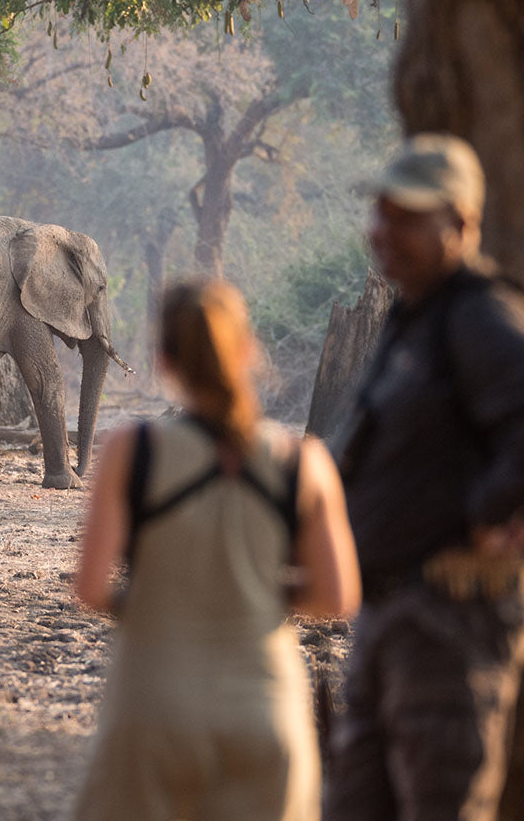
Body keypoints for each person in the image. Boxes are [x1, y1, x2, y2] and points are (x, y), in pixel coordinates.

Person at [325, 134, 524, 821]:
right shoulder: (418, 315)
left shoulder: (479, 313)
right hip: (390, 609)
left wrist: (488, 512)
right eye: (381, 214)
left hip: (448, 617)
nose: (383, 233)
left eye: (407, 218)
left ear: (463, 225)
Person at [72, 278, 360, 821]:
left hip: (155, 706)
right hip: (266, 712)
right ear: (249, 351)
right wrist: (253, 589)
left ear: (163, 361)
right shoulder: (305, 463)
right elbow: (337, 595)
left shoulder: (131, 452)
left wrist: (166, 592)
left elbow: (90, 588)